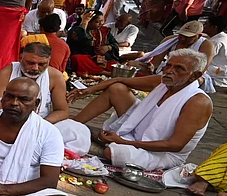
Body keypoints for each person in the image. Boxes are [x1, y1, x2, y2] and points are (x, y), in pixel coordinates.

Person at [57, 49, 213, 168]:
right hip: (137, 133)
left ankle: (102, 143)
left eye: (179, 68)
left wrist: (122, 141)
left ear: (194, 76)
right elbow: (118, 80)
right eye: (168, 66)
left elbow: (174, 145)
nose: (170, 71)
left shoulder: (197, 102)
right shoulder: (165, 80)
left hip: (164, 153)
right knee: (117, 88)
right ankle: (74, 125)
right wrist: (88, 90)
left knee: (115, 153)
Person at [0, 40, 70, 123]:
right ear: (20, 58)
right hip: (6, 121)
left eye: (41, 64)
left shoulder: (55, 77)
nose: (35, 68)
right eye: (30, 63)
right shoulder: (6, 73)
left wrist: (41, 125)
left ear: (49, 61)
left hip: (41, 123)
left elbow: (62, 111)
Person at [134, 20, 215, 77]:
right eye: (181, 35)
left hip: (190, 74)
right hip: (167, 69)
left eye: (187, 37)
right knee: (133, 64)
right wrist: (151, 67)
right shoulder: (169, 40)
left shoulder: (206, 45)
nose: (182, 39)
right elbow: (156, 62)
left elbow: (201, 69)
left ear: (199, 36)